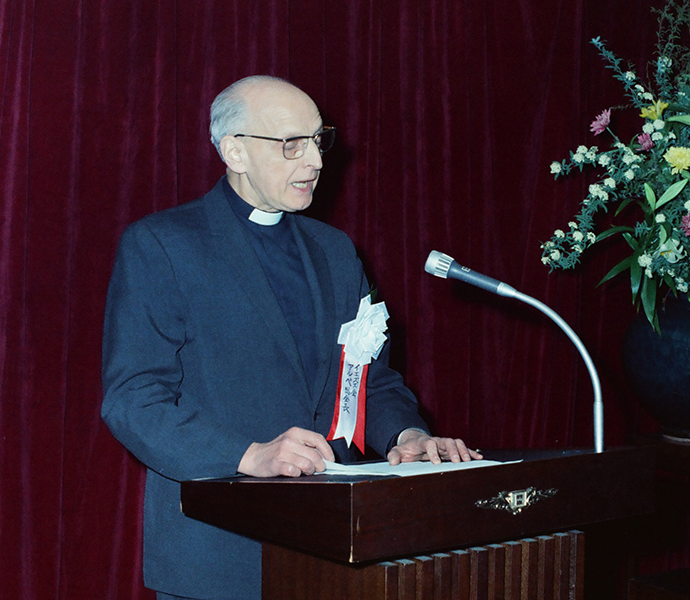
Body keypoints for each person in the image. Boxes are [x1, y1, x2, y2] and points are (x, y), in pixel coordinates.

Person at [101, 75, 480, 600]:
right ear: (235, 151)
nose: (316, 162)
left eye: (317, 140)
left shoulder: (336, 251)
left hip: (336, 550)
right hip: (221, 553)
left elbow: (370, 379)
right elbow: (132, 401)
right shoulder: (162, 245)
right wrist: (247, 454)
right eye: (291, 145)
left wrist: (407, 437)